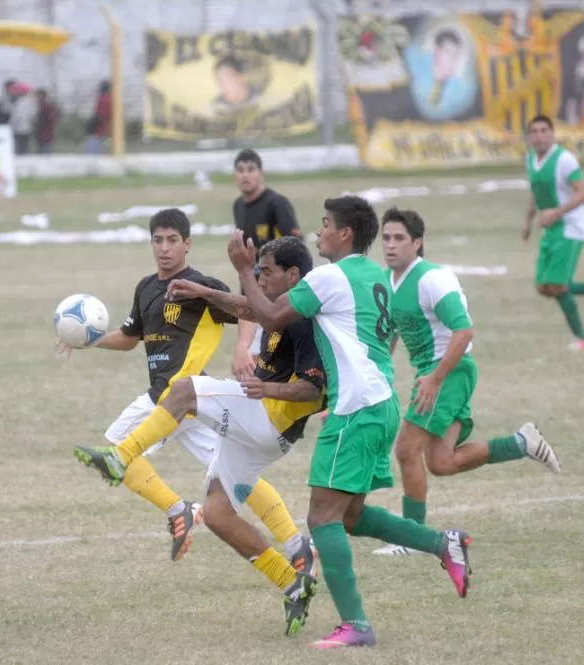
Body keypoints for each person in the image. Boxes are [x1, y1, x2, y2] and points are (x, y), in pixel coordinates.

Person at [225, 196, 473, 650]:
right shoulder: (374, 276)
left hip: (357, 406)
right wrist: (208, 294)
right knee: (351, 516)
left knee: (321, 516)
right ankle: (443, 543)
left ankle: (356, 624)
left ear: (346, 235)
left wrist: (244, 268)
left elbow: (270, 314)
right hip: (379, 402)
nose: (317, 233)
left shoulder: (329, 276)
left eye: (324, 226)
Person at [76, 236, 324, 636]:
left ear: (293, 275)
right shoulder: (284, 307)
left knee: (185, 389)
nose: (259, 278)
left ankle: (122, 456)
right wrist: (204, 290)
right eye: (257, 271)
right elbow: (247, 308)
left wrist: (269, 389)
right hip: (269, 434)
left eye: (267, 272)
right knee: (219, 515)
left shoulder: (305, 318)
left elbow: (314, 388)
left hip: (267, 414)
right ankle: (290, 582)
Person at [373, 208, 561, 556]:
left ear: (418, 243)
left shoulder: (432, 279)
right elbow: (390, 337)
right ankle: (521, 443)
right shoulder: (387, 281)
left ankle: (413, 538)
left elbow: (464, 331)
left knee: (405, 450)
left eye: (399, 238)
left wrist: (435, 379)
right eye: (386, 237)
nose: (390, 245)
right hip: (432, 373)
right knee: (441, 463)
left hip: (449, 370)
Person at [522, 115, 584, 351]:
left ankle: (582, 339)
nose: (539, 135)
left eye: (544, 130)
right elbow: (535, 191)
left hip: (570, 229)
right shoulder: (531, 159)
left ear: (552, 134)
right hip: (551, 230)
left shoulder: (565, 160)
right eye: (534, 131)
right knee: (543, 286)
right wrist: (528, 220)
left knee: (556, 285)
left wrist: (557, 213)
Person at [231, 148, 302, 382]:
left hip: (276, 300)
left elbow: (297, 248)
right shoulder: (238, 206)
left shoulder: (277, 204)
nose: (245, 175)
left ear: (262, 173)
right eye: (240, 170)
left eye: (251, 169)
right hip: (253, 295)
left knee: (264, 364)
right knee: (249, 365)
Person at [85, 81, 111, 154]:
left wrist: (92, 123)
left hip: (98, 128)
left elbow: (100, 114)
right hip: (103, 128)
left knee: (92, 151)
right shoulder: (108, 98)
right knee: (99, 150)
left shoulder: (103, 98)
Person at [34, 89, 60, 154]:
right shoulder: (40, 106)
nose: (36, 97)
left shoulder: (47, 107)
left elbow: (52, 119)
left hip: (46, 135)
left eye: (38, 95)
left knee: (45, 154)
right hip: (42, 135)